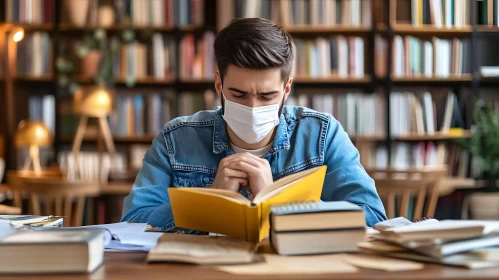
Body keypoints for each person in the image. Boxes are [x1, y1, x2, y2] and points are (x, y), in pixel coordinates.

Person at [121, 18, 387, 232]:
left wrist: (279, 201)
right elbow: (132, 222)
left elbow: (372, 217)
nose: (252, 108)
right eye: (238, 95)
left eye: (267, 96)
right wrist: (210, 202)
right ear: (218, 85)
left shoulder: (322, 135)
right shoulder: (176, 139)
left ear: (286, 89)